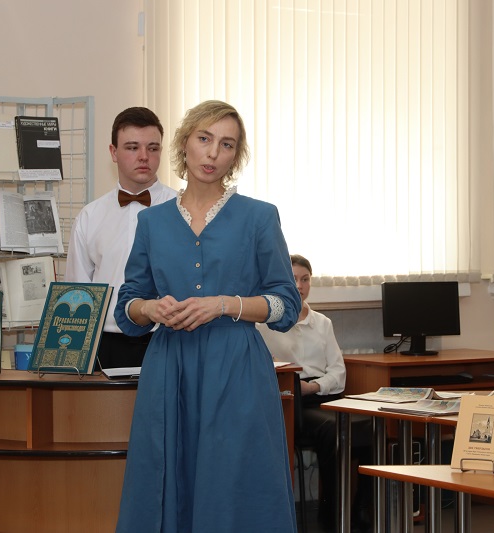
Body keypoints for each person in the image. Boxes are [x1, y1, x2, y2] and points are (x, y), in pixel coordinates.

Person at [114, 100, 302, 533]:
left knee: (234, 480)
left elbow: (285, 305)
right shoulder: (152, 222)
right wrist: (150, 308)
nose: (213, 152)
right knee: (167, 477)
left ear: (236, 156)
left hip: (236, 369)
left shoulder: (259, 217)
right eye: (204, 139)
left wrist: (224, 304)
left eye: (227, 144)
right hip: (170, 369)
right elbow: (128, 304)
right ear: (185, 143)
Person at [256, 254, 370, 531]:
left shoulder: (322, 322)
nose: (299, 285)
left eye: (305, 279)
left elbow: (338, 374)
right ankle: (331, 519)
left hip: (324, 395)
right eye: (293, 278)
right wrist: (300, 386)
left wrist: (315, 386)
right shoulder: (264, 323)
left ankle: (361, 512)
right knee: (333, 430)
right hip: (291, 402)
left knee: (371, 426)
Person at [65, 107, 177, 369]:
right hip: (105, 344)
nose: (144, 156)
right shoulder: (89, 216)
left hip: (169, 338)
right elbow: (77, 292)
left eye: (152, 148)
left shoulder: (183, 210)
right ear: (113, 152)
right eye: (132, 147)